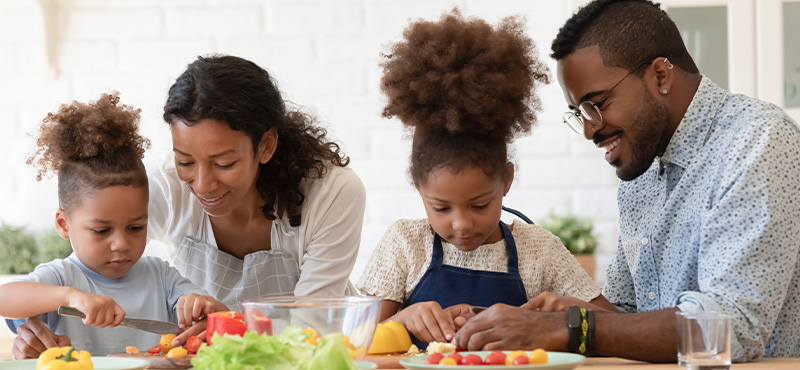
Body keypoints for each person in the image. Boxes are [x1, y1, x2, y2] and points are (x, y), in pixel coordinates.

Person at [453, 0, 800, 362]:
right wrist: (548, 318)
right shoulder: (641, 174)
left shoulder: (758, 142)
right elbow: (630, 319)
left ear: (660, 76)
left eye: (596, 104)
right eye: (578, 114)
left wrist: (571, 328)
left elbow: (729, 328)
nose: (589, 131)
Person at [10, 55, 367, 359]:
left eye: (224, 163)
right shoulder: (162, 189)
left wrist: (225, 324)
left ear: (266, 145)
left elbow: (315, 321)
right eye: (185, 161)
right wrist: (34, 325)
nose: (202, 184)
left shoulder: (333, 193)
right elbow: (95, 246)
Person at [357, 10, 615, 349]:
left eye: (480, 204)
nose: (461, 223)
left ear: (506, 180)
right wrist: (401, 320)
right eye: (441, 207)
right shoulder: (405, 245)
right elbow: (352, 342)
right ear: (419, 188)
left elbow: (620, 327)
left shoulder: (538, 252)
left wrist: (568, 315)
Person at [0, 93, 227, 356]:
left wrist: (203, 306)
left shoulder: (162, 277)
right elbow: (4, 299)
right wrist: (70, 297)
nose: (121, 244)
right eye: (101, 230)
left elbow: (222, 316)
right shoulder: (62, 278)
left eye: (136, 227)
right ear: (64, 224)